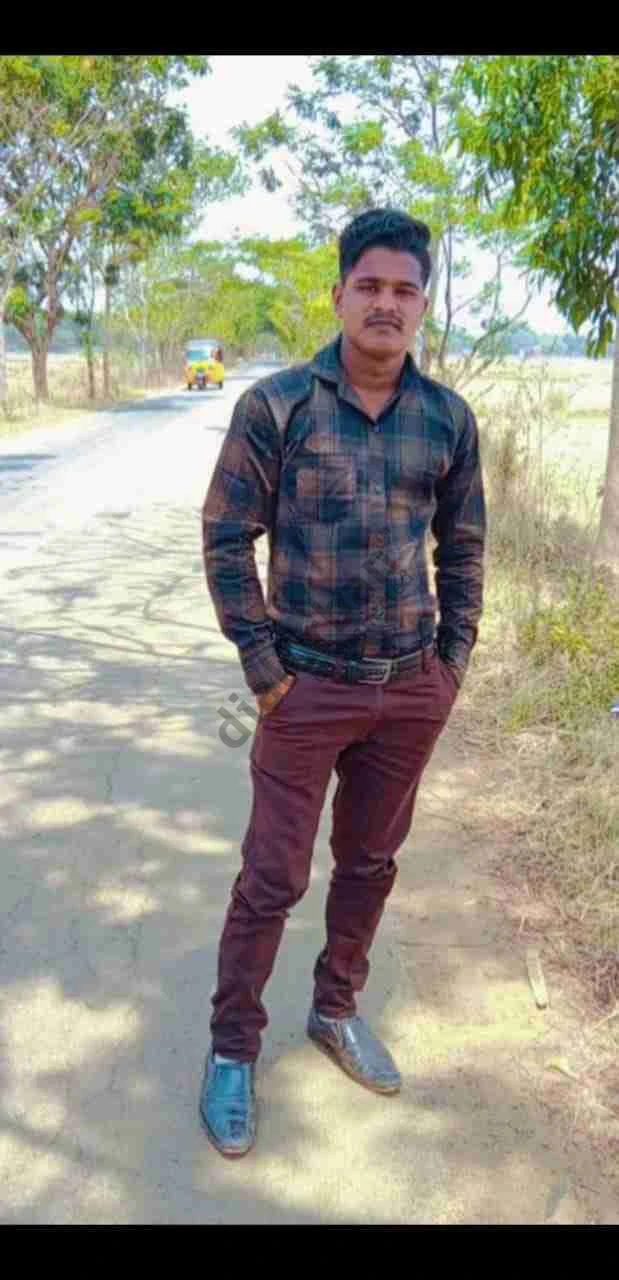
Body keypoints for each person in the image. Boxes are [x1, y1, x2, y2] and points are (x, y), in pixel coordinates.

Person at [200, 208, 486, 1158]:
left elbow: (463, 549)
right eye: (369, 285)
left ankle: (334, 1009)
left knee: (369, 863)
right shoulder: (278, 406)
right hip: (304, 688)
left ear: (422, 305)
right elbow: (226, 537)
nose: (385, 304)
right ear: (338, 296)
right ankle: (232, 1049)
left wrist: (449, 667)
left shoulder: (447, 420)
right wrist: (262, 669)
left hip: (407, 691)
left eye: (405, 289)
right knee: (271, 877)